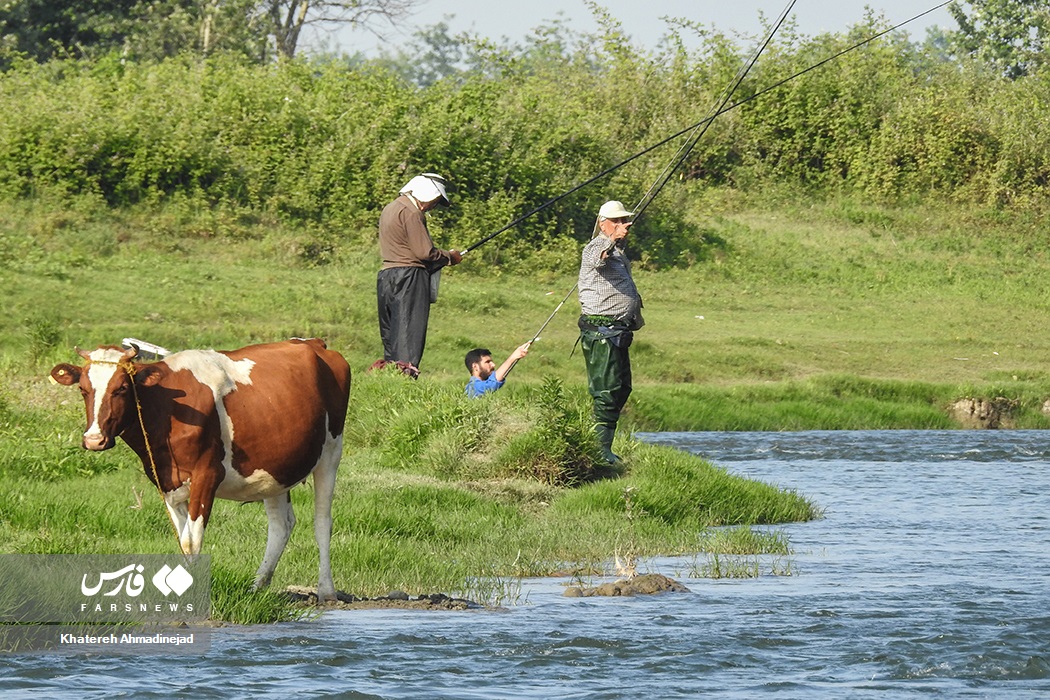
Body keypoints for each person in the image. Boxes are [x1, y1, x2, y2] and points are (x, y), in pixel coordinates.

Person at [577, 200, 644, 464]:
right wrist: (611, 238)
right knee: (606, 391)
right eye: (615, 221)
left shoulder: (616, 250)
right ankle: (599, 449)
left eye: (623, 221)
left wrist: (617, 240)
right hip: (602, 333)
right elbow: (597, 260)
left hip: (618, 332)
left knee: (621, 388)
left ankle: (605, 445)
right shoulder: (595, 246)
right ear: (603, 223)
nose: (621, 226)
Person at [376, 172, 462, 371]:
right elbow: (424, 253)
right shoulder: (413, 213)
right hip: (409, 278)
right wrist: (450, 257)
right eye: (435, 200)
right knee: (408, 335)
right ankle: (405, 379)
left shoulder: (390, 208)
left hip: (386, 276)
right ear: (427, 194)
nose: (433, 206)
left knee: (391, 336)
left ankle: (390, 376)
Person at [464, 342, 532, 397]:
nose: (493, 365)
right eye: (487, 362)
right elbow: (492, 383)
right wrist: (513, 357)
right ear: (475, 367)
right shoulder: (474, 387)